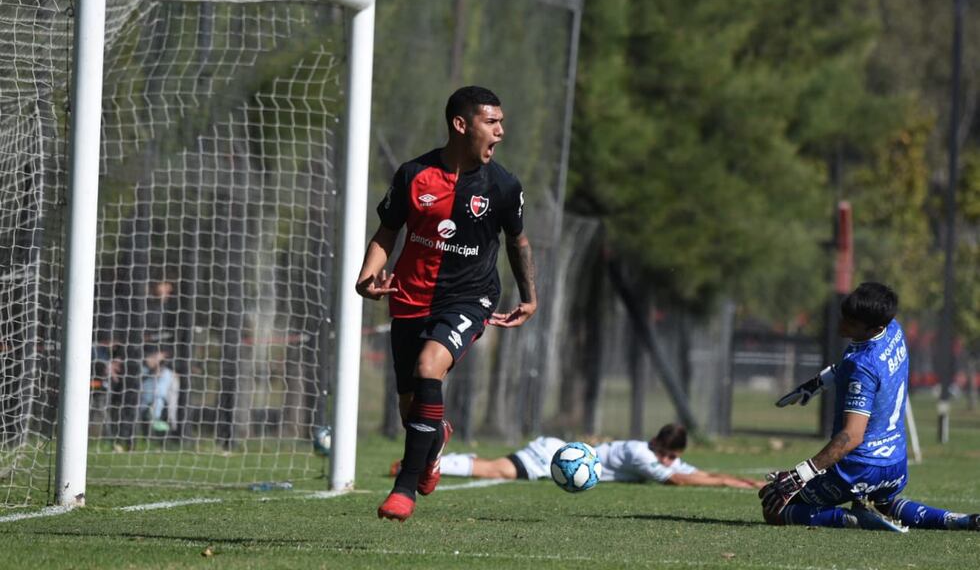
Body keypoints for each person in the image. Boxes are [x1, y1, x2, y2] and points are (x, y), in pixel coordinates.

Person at [356, 86, 537, 521]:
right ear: (461, 124)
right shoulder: (413, 174)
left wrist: (529, 298)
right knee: (410, 408)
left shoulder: (503, 185)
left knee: (428, 366)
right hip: (409, 296)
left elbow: (518, 242)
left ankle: (404, 490)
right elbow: (387, 231)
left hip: (470, 297)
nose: (500, 131)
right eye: (491, 122)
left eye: (501, 122)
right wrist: (366, 276)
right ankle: (435, 440)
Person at [760, 282, 980, 532]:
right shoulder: (893, 330)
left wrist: (800, 474)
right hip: (895, 464)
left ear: (874, 328)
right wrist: (820, 382)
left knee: (775, 508)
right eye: (844, 316)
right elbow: (868, 372)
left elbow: (852, 436)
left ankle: (852, 519)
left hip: (858, 469)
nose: (842, 324)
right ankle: (957, 519)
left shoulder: (862, 365)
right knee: (885, 505)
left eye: (851, 323)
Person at [393, 423, 764, 489]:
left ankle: (433, 461)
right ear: (655, 443)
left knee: (496, 468)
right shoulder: (639, 453)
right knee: (497, 471)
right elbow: (682, 479)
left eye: (672, 457)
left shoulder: (660, 456)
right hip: (557, 456)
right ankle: (417, 464)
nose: (669, 461)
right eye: (666, 455)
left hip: (561, 454)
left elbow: (692, 471)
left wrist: (745, 483)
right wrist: (724, 482)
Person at [140, 344, 180, 436]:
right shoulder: (142, 363)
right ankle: (153, 415)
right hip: (144, 396)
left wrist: (158, 370)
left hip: (158, 397)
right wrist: (152, 371)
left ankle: (160, 417)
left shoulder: (166, 370)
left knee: (168, 376)